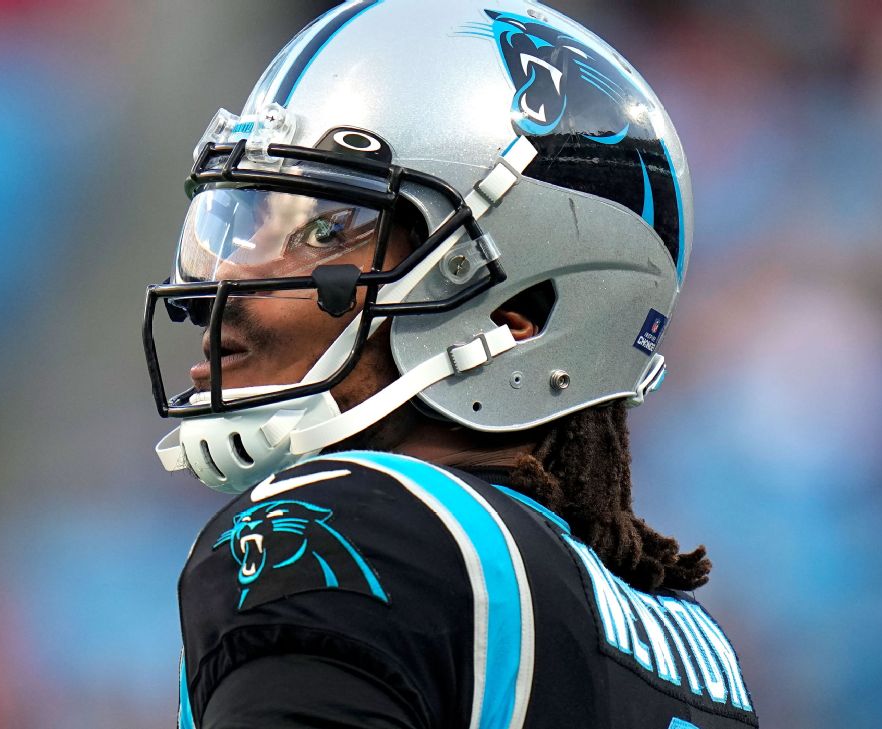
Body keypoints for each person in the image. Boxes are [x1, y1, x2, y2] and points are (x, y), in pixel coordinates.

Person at [141, 1, 759, 727]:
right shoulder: (698, 651)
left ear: (517, 312)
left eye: (319, 232)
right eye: (239, 226)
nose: (218, 297)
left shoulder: (348, 528)